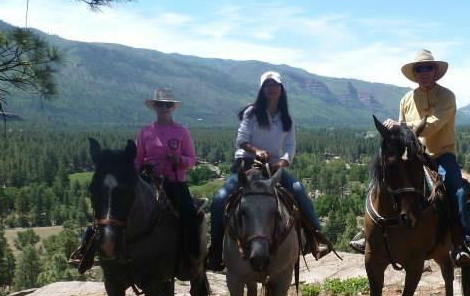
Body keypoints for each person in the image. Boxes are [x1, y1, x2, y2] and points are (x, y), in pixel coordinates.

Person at [206, 71, 331, 271]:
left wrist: (282, 162)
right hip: (246, 164)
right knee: (221, 198)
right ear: (262, 89)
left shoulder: (286, 118)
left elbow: (290, 146)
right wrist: (256, 151)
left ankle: (317, 237)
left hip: (273, 167)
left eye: (275, 85)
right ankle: (216, 250)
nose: (271, 89)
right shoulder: (252, 113)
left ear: (281, 90)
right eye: (267, 85)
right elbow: (241, 140)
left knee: (298, 190)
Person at [382, 49, 470, 265]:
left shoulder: (447, 96)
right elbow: (403, 133)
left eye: (428, 68)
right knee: (385, 182)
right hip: (414, 157)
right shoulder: (406, 99)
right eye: (419, 69)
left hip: (441, 156)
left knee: (457, 191)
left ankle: (462, 241)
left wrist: (401, 125)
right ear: (414, 73)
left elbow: (432, 126)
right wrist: (393, 131)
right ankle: (375, 231)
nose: (423, 72)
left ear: (435, 71)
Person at [135, 88, 200, 258]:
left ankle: (192, 257)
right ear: (155, 107)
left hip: (175, 182)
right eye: (160, 104)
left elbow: (192, 159)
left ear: (172, 107)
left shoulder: (182, 131)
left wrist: (179, 160)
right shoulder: (144, 132)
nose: (164, 108)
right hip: (148, 181)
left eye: (167, 105)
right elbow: (138, 159)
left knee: (189, 213)